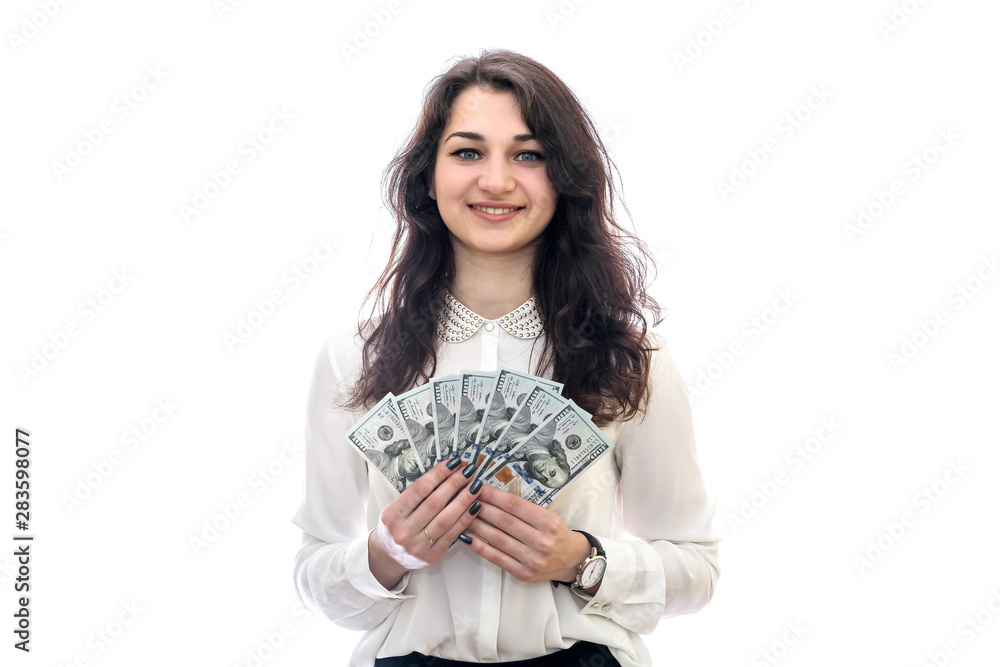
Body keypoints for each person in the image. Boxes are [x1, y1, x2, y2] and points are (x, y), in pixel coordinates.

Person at [291, 49, 720, 666]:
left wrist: (582, 559)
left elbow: (696, 567)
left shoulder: (630, 359)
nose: (496, 181)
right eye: (468, 152)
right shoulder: (352, 359)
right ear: (427, 177)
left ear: (565, 178)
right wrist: (387, 553)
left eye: (528, 154)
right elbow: (315, 575)